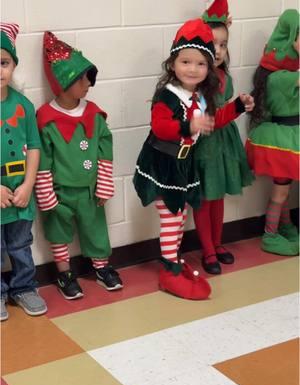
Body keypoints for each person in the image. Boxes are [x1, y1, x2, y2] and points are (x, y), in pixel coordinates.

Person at [133, 18, 222, 300]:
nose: (192, 69)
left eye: (200, 64)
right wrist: (188, 127)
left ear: (209, 68)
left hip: (183, 164)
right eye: (186, 62)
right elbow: (160, 127)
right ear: (173, 64)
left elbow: (212, 122)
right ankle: (169, 271)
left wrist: (238, 108)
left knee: (180, 216)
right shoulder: (168, 95)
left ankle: (174, 261)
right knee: (171, 217)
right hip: (163, 164)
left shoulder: (198, 96)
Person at [35, 32, 123, 300]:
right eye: (82, 78)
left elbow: (104, 147)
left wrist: (105, 182)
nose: (88, 84)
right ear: (64, 81)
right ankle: (64, 272)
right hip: (61, 193)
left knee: (95, 228)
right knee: (58, 232)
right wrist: (46, 193)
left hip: (89, 190)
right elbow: (43, 159)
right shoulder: (46, 119)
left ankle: (101, 267)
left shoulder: (93, 113)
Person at [192, 0, 255, 275]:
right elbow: (212, 118)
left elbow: (224, 112)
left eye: (223, 45)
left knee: (218, 198)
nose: (218, 50)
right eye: (213, 43)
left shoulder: (223, 76)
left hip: (223, 144)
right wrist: (237, 108)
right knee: (205, 198)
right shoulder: (195, 81)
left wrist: (239, 103)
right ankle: (207, 250)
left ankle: (217, 244)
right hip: (205, 144)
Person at [0, 22, 47, 321]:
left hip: (20, 192)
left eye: (3, 63)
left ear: (13, 65)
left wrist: (29, 184)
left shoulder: (24, 106)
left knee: (20, 243)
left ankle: (23, 287)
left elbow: (34, 147)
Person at [246, 9, 299, 256]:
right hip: (283, 140)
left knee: (285, 188)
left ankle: (286, 226)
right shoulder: (281, 78)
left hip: (289, 137)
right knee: (281, 190)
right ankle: (270, 234)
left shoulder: (282, 75)